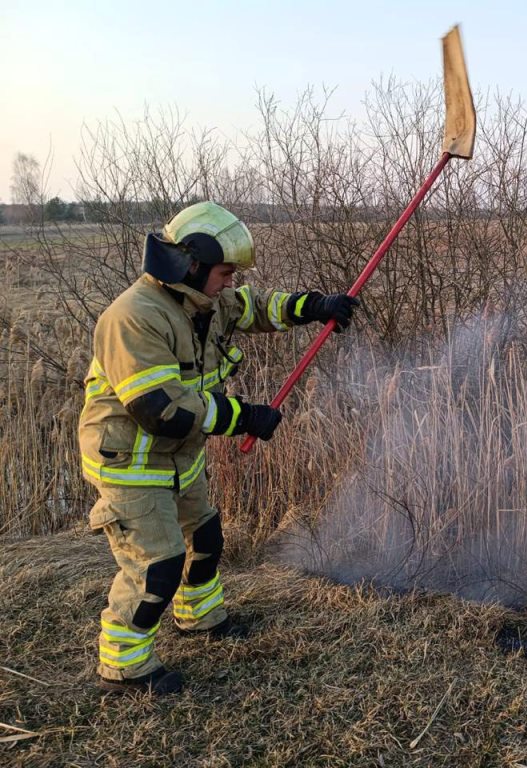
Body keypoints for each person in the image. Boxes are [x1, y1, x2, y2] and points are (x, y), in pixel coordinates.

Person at [78, 201, 358, 695]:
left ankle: (201, 618)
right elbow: (163, 410)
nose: (231, 281)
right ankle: (123, 666)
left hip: (180, 457)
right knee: (156, 565)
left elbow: (256, 306)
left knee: (205, 538)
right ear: (193, 262)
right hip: (132, 462)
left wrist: (314, 306)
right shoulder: (133, 318)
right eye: (226, 270)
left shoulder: (203, 301)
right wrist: (245, 416)